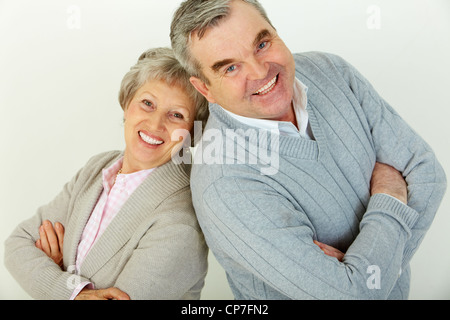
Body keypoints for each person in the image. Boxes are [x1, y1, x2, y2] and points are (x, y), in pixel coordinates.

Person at [170, 0, 447, 299]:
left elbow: (428, 174)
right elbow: (354, 296)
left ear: (276, 32)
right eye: (231, 67)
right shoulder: (224, 184)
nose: (260, 70)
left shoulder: (330, 71)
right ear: (205, 89)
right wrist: (391, 192)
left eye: (262, 44)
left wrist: (366, 275)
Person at [4, 47, 209, 300]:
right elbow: (17, 244)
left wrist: (56, 272)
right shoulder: (98, 167)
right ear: (127, 103)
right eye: (147, 103)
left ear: (193, 131)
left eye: (176, 115)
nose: (155, 125)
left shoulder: (180, 221)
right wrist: (72, 293)